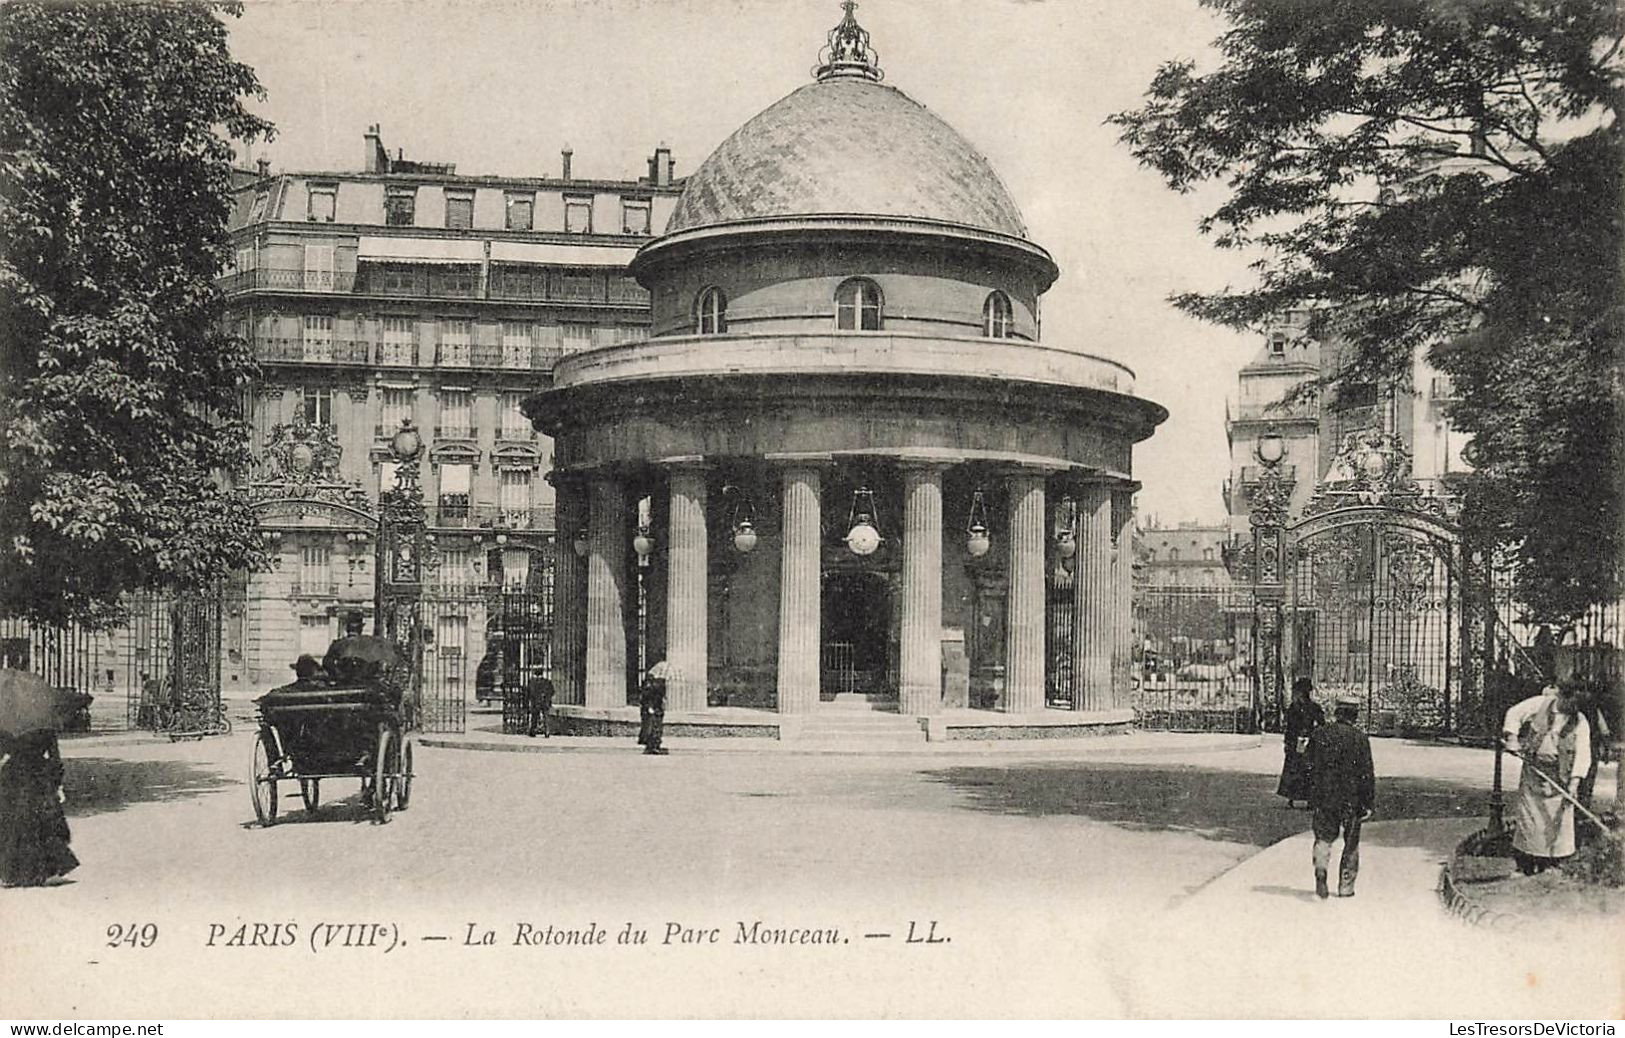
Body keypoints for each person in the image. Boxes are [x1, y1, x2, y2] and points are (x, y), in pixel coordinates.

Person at [1501, 683, 1592, 875]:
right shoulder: (1540, 704)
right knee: (1530, 819)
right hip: (1534, 771)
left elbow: (1583, 753)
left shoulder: (1580, 720)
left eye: (1577, 704)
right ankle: (1525, 864)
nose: (1572, 707)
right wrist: (1512, 738)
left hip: (1561, 776)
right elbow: (1513, 714)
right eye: (1570, 702)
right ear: (1561, 696)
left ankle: (1553, 864)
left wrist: (1574, 783)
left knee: (1558, 821)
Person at [1306, 693, 1375, 899]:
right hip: (1351, 799)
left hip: (1324, 796)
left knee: (1323, 837)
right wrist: (1368, 801)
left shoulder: (1319, 734)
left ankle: (1321, 868)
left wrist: (1312, 792)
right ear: (1354, 715)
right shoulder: (1360, 739)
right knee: (1351, 842)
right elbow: (1367, 773)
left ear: (1336, 712)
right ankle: (1346, 887)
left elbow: (1308, 766)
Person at [0, 729, 79, 887]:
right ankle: (43, 870)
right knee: (41, 823)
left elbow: (2, 752)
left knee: (14, 824)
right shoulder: (46, 727)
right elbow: (55, 759)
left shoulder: (6, 723)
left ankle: (13, 872)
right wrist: (57, 783)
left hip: (12, 776)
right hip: (38, 777)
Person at [1277, 677, 1324, 807]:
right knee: (1300, 769)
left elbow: (1321, 724)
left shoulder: (1306, 707)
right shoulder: (1305, 707)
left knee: (1301, 769)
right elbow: (1290, 727)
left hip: (1305, 741)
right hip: (1301, 740)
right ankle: (1298, 797)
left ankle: (1298, 797)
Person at [638, 662, 669, 755]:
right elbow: (648, 697)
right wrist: (650, 707)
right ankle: (653, 746)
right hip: (654, 709)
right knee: (654, 727)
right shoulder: (654, 684)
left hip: (656, 708)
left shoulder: (656, 683)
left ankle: (654, 745)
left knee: (655, 727)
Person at [525, 666, 555, 738]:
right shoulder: (547, 682)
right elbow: (552, 691)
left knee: (534, 717)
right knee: (545, 717)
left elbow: (528, 692)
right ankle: (547, 731)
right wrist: (547, 698)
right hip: (544, 702)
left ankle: (533, 731)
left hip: (535, 702)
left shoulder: (532, 682)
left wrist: (529, 701)